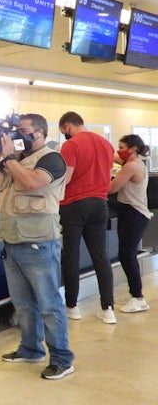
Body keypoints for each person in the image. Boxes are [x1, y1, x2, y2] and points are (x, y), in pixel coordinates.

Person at [0, 113, 75, 380]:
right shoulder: (12, 160)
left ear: (39, 133)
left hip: (40, 244)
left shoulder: (51, 158)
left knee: (48, 304)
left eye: (23, 130)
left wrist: (10, 160)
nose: (17, 134)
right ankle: (31, 348)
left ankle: (62, 359)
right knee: (22, 304)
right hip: (11, 241)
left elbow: (31, 182)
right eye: (15, 130)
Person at [58, 111, 116, 324]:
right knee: (100, 255)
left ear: (67, 126)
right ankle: (108, 308)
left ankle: (72, 307)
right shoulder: (105, 144)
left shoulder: (71, 145)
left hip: (74, 204)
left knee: (71, 254)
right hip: (100, 204)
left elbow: (67, 177)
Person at [109, 134, 152, 313]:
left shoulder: (132, 166)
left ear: (132, 149)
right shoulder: (134, 162)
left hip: (134, 213)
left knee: (127, 256)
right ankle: (135, 294)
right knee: (127, 255)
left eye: (121, 147)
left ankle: (138, 297)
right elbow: (112, 156)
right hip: (129, 212)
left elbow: (111, 188)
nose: (119, 151)